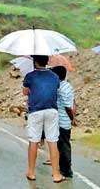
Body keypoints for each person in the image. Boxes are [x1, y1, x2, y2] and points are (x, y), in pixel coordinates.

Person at [23, 55, 65, 183]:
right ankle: (56, 174)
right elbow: (55, 89)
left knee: (34, 141)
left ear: (35, 62)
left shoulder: (30, 76)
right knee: (52, 142)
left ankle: (31, 172)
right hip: (52, 111)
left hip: (35, 111)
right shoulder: (54, 76)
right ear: (47, 62)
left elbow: (25, 92)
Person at [51, 66, 76, 178]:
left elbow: (67, 107)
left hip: (62, 121)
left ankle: (66, 170)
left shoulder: (60, 88)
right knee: (62, 145)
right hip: (61, 120)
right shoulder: (67, 86)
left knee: (64, 145)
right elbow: (72, 102)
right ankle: (63, 168)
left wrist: (72, 118)